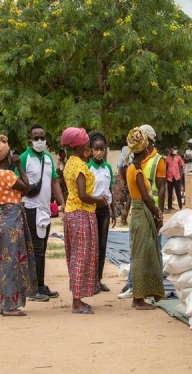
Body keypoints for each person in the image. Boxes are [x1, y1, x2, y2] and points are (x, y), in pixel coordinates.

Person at [61, 127, 107, 314]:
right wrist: (99, 200)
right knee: (80, 258)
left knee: (75, 257)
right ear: (80, 147)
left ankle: (78, 298)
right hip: (81, 214)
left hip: (72, 213)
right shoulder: (80, 167)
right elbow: (82, 195)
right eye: (87, 144)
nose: (89, 147)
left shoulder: (70, 163)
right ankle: (76, 302)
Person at [0, 135, 37, 317]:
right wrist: (19, 165)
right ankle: (10, 305)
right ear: (6, 156)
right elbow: (26, 187)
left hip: (2, 217)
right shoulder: (8, 174)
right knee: (13, 262)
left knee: (4, 263)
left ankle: (6, 302)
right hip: (12, 218)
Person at [118, 124, 166, 299]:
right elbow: (146, 197)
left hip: (140, 212)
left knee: (145, 253)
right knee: (140, 255)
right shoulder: (137, 171)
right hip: (142, 212)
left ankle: (145, 292)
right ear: (145, 148)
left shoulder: (132, 168)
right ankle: (138, 297)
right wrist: (158, 212)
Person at [19, 124, 65, 302]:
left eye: (42, 137)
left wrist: (62, 203)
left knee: (42, 250)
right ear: (30, 140)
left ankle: (41, 285)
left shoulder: (47, 158)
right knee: (36, 249)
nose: (39, 140)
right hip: (31, 208)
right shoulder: (24, 158)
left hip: (46, 210)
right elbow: (18, 182)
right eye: (35, 137)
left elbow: (54, 182)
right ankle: (33, 288)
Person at [87, 132, 117, 293]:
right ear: (91, 150)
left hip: (104, 210)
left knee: (103, 244)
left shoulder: (108, 168)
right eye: (96, 149)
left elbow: (109, 189)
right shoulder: (88, 168)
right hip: (92, 209)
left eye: (102, 149)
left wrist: (113, 210)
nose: (99, 152)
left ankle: (99, 279)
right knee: (93, 245)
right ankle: (91, 280)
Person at [165, 145, 184, 212]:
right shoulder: (167, 158)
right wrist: (165, 176)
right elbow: (166, 167)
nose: (175, 151)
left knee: (178, 193)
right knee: (169, 194)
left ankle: (180, 207)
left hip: (177, 177)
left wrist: (180, 175)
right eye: (174, 149)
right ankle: (169, 208)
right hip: (170, 178)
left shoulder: (178, 158)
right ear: (171, 150)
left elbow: (181, 166)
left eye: (176, 149)